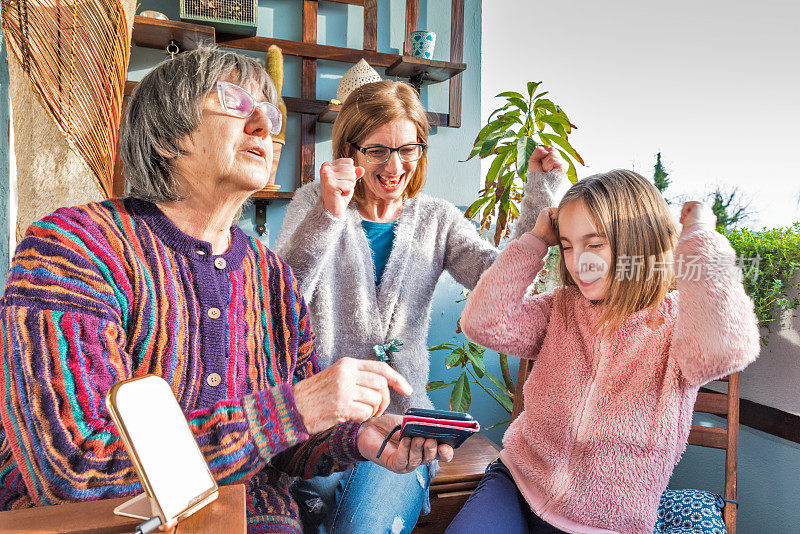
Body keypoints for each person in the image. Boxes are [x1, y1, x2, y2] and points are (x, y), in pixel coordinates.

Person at [0, 48, 453, 533]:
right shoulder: (74, 247)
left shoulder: (273, 277)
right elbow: (75, 465)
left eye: (270, 112)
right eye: (235, 102)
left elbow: (284, 450)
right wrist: (297, 405)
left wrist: (358, 439)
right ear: (168, 136)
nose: (264, 125)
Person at [275, 80, 559, 533]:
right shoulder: (315, 201)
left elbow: (500, 281)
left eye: (409, 149)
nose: (395, 166)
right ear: (350, 149)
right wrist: (329, 213)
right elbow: (280, 297)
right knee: (308, 511)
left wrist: (540, 194)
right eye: (377, 151)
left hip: (406, 427)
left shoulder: (437, 218)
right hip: (324, 422)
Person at [449, 166, 761, 533]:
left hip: (606, 522)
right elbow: (482, 322)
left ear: (639, 243)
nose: (579, 261)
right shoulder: (561, 307)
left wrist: (701, 239)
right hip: (517, 483)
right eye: (567, 246)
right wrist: (535, 241)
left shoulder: (676, 322)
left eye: (594, 244)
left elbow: (726, 350)